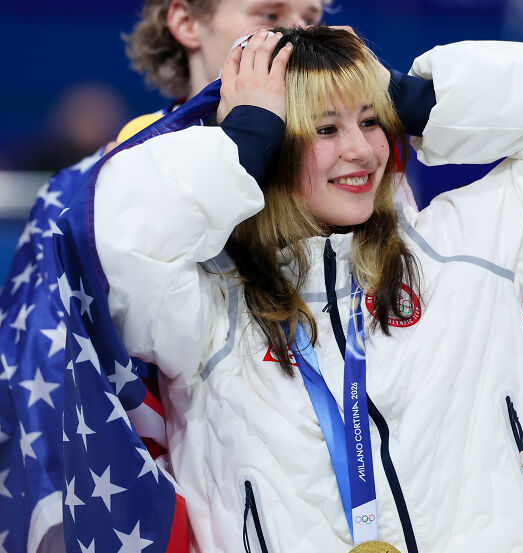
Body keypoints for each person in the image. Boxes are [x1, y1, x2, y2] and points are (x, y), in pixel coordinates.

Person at [82, 26, 523, 552]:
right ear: (273, 144)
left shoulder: (466, 251)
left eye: (372, 122)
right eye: (325, 129)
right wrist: (240, 147)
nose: (364, 152)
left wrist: (418, 99)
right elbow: (119, 241)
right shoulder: (207, 312)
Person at [0, 2, 326, 552]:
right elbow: (46, 408)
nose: (296, 35)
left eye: (311, 15)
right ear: (185, 22)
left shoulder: (344, 181)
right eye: (269, 13)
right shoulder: (81, 195)